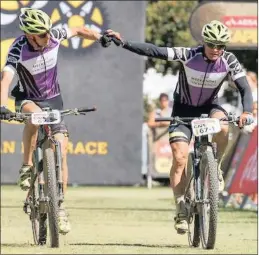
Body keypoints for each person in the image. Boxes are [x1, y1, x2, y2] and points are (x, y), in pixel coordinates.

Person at [105, 20, 254, 234]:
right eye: (212, 44)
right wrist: (124, 43)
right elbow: (155, 51)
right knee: (180, 157)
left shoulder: (229, 60)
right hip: (183, 110)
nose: (217, 50)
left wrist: (247, 111)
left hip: (209, 107)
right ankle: (181, 208)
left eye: (221, 45)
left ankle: (216, 168)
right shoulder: (188, 54)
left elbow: (244, 88)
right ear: (204, 42)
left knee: (222, 127)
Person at [0, 8, 111, 234]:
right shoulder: (17, 49)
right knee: (34, 118)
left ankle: (59, 207)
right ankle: (27, 165)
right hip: (28, 98)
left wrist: (100, 37)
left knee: (60, 148)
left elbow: (79, 29)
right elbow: (5, 79)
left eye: (48, 32)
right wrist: (2, 106)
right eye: (42, 34)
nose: (47, 37)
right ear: (30, 36)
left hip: (53, 100)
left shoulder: (54, 35)